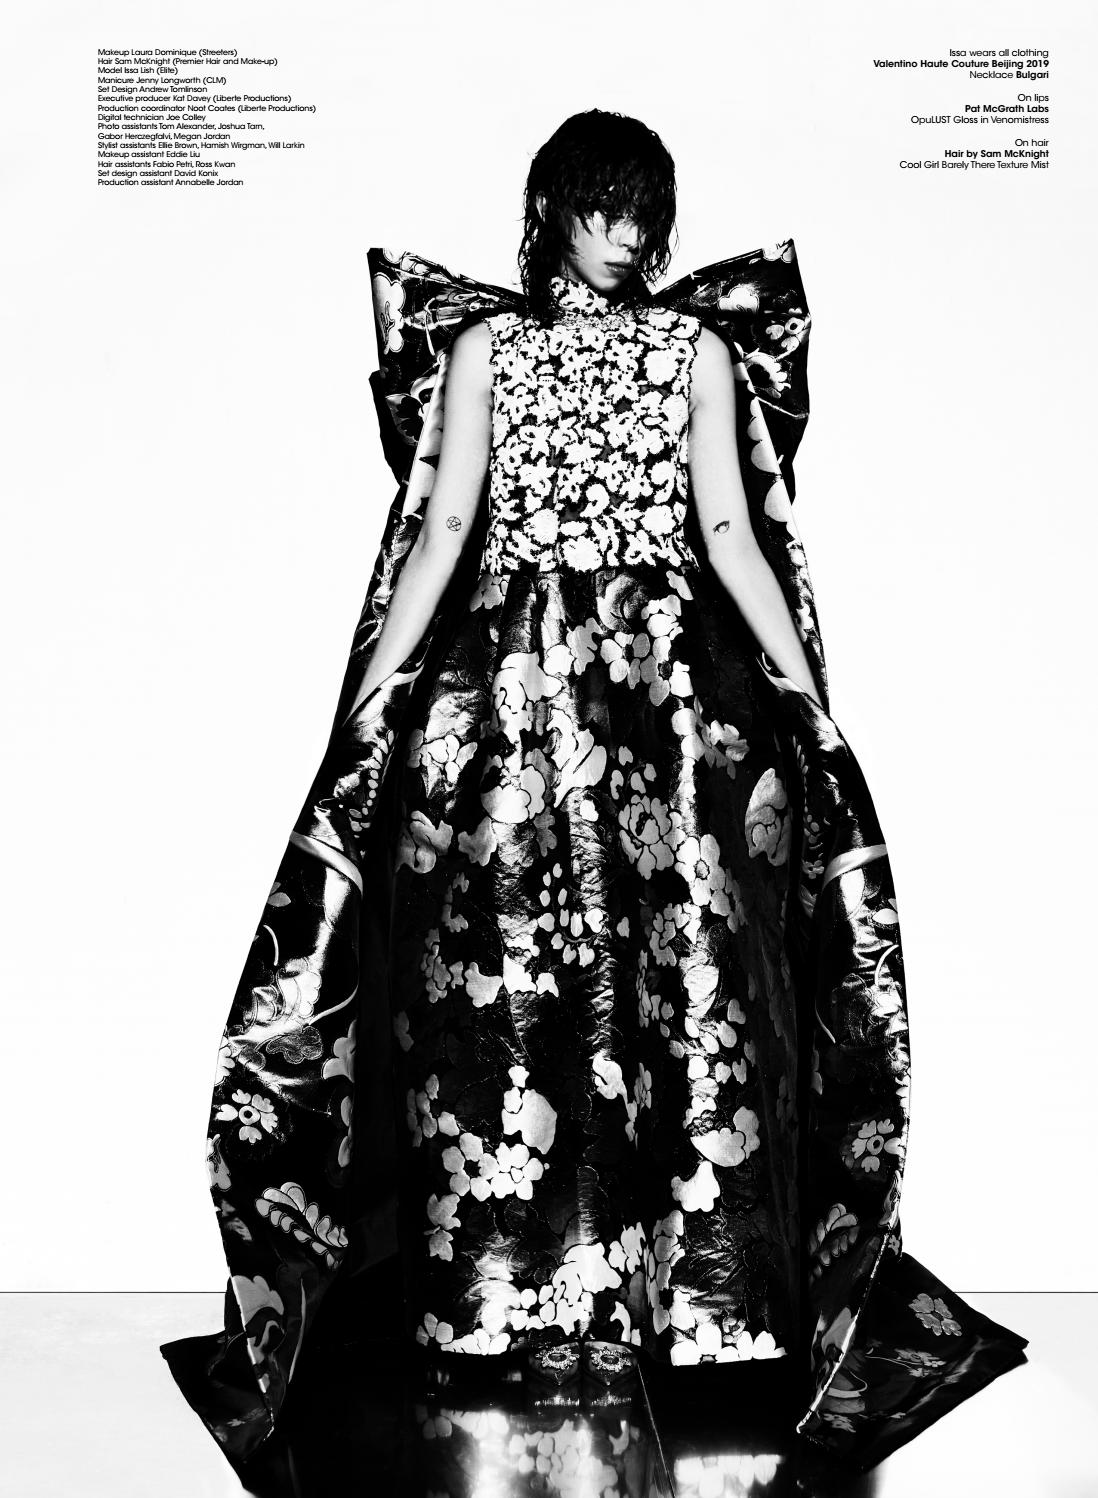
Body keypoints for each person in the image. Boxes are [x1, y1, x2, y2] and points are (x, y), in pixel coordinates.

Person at [160, 109, 1028, 1477]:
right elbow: (444, 528)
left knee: (684, 981)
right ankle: (509, 1295)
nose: (629, 237)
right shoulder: (483, 350)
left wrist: (807, 697)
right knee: (505, 984)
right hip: (510, 694)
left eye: (646, 215)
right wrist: (369, 706)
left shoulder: (695, 351)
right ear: (552, 210)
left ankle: (692, 1306)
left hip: (672, 707)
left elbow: (728, 529)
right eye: (605, 208)